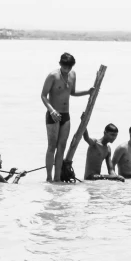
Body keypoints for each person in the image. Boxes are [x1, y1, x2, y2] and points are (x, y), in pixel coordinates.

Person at [41, 53, 95, 182]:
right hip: (53, 114)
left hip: (66, 115)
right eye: (65, 66)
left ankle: (57, 178)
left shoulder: (73, 75)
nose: (67, 69)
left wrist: (87, 92)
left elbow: (72, 92)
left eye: (69, 67)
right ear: (60, 64)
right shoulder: (53, 75)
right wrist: (52, 110)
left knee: (62, 146)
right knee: (52, 146)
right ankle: (49, 178)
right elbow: (43, 95)